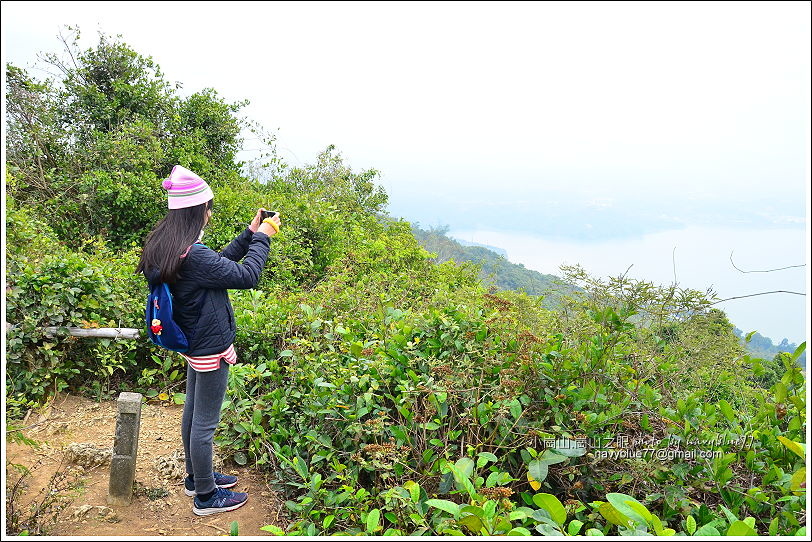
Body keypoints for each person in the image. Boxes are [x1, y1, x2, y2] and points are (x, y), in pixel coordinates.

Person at [135, 165, 281, 516]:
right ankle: (205, 495)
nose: (210, 214)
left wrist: (248, 234)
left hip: (191, 342)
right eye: (208, 208)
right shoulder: (192, 253)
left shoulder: (168, 246)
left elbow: (218, 266)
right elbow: (246, 276)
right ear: (196, 211)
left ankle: (194, 477)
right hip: (210, 346)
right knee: (205, 424)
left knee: (191, 414)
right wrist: (264, 237)